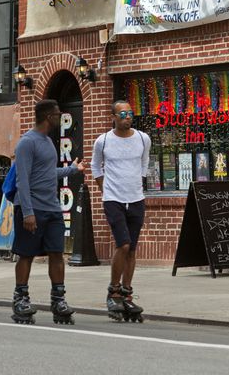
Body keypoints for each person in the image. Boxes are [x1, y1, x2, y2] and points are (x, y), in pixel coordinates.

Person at [10, 99, 86, 325]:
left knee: (56, 252)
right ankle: (20, 298)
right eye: (56, 114)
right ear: (47, 117)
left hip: (52, 208)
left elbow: (47, 172)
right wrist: (28, 212)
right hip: (31, 207)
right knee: (26, 254)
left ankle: (58, 299)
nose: (59, 117)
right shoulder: (27, 142)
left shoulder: (48, 142)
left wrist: (72, 170)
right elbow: (22, 179)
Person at [91, 100, 150, 323]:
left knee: (132, 249)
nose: (128, 116)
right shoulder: (103, 140)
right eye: (123, 113)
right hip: (113, 199)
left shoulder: (143, 139)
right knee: (122, 244)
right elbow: (96, 166)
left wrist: (137, 184)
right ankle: (113, 291)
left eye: (130, 113)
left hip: (136, 199)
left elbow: (144, 164)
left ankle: (127, 293)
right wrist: (104, 188)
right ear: (113, 117)